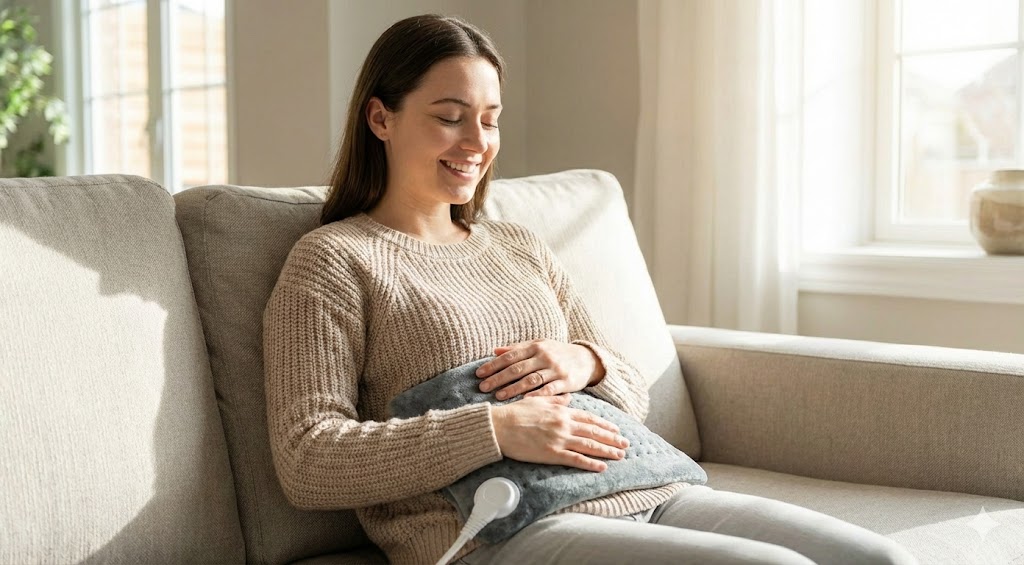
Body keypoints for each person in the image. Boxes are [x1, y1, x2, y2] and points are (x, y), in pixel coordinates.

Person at [262, 14, 917, 565]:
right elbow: (308, 456)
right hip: (503, 530)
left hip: (637, 488)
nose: (477, 142)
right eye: (450, 117)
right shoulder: (334, 261)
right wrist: (495, 428)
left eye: (489, 119)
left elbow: (633, 391)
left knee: (871, 558)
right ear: (381, 118)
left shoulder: (516, 245)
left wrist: (587, 360)